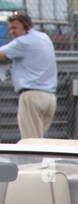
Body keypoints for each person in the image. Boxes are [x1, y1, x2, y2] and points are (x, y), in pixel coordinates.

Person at [0, 12, 57, 140]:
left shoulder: (23, 42)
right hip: (50, 98)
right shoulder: (44, 37)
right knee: (38, 141)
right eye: (10, 28)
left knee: (30, 142)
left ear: (26, 26)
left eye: (15, 28)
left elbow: (1, 54)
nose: (12, 32)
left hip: (31, 97)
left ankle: (31, 161)